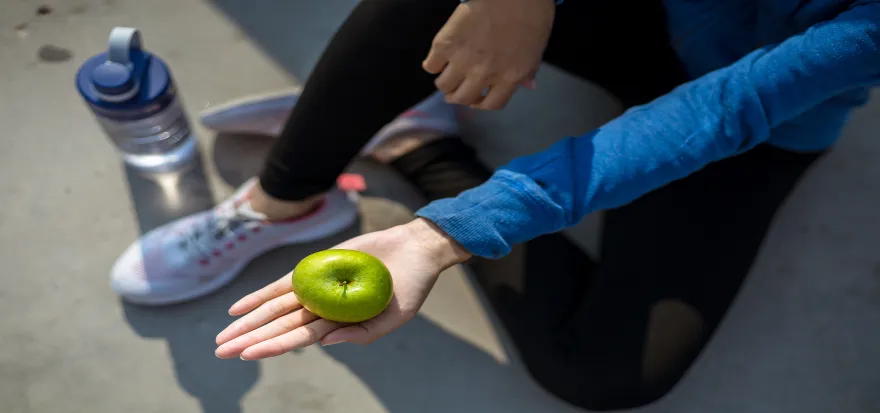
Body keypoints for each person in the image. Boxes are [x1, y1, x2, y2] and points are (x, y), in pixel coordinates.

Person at [112, 0, 880, 409]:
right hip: (647, 15)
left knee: (606, 375)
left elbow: (722, 111)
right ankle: (284, 200)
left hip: (767, 116)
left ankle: (424, 151)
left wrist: (441, 236)